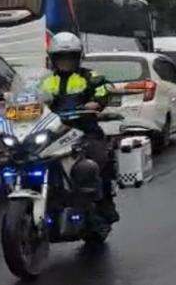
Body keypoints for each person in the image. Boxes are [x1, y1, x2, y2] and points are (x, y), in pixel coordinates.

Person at [40, 32, 120, 223]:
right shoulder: (46, 81)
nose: (65, 62)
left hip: (84, 130)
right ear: (53, 59)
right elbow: (31, 96)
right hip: (55, 132)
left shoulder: (89, 77)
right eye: (61, 57)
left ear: (78, 57)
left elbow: (105, 88)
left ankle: (105, 203)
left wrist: (96, 102)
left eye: (70, 57)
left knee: (99, 158)